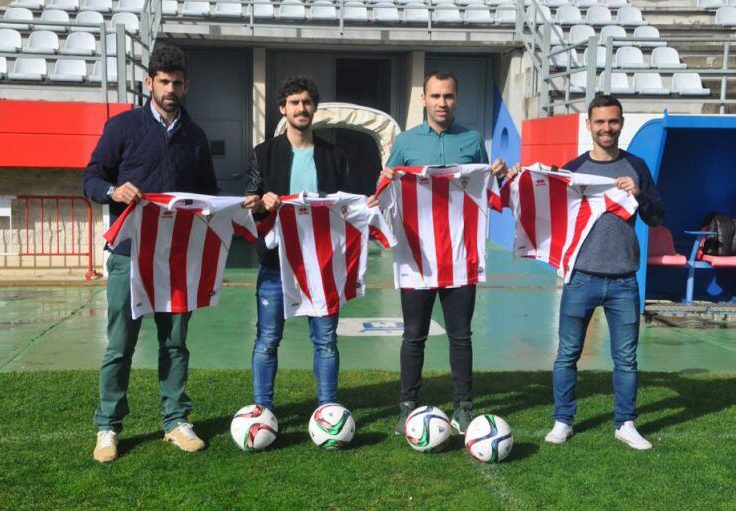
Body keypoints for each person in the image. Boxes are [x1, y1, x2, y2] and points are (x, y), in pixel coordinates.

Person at [84, 45, 218, 462]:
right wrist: (113, 191)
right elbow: (91, 178)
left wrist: (230, 207)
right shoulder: (121, 127)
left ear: (186, 85)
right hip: (129, 253)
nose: (170, 89)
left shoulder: (196, 137)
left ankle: (175, 420)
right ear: (149, 82)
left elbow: (208, 194)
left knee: (175, 343)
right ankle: (108, 426)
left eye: (177, 82)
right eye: (163, 82)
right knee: (120, 344)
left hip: (177, 256)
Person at [507, 95, 664, 450]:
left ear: (621, 123)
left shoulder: (637, 166)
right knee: (567, 354)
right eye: (600, 122)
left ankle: (625, 423)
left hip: (624, 280)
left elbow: (656, 217)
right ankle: (563, 420)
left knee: (626, 359)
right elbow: (546, 200)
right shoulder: (574, 169)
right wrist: (520, 179)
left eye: (613, 121)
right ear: (589, 124)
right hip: (580, 277)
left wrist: (639, 194)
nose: (607, 128)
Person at [381, 70, 505, 435]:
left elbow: (486, 189)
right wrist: (384, 180)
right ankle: (407, 405)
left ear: (457, 99)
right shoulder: (405, 142)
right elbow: (386, 189)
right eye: (435, 96)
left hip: (460, 256)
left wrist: (497, 174)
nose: (442, 103)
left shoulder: (472, 140)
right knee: (413, 335)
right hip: (417, 256)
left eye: (448, 96)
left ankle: (464, 405)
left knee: (461, 335)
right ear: (423, 99)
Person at [244, 76, 365, 412]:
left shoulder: (334, 155)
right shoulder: (264, 153)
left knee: (326, 341)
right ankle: (262, 410)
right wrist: (262, 203)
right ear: (282, 109)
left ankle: (328, 409)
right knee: (268, 340)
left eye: (307, 102)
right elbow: (248, 203)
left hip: (322, 264)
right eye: (294, 102)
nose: (301, 108)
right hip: (275, 263)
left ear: (314, 108)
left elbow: (347, 206)